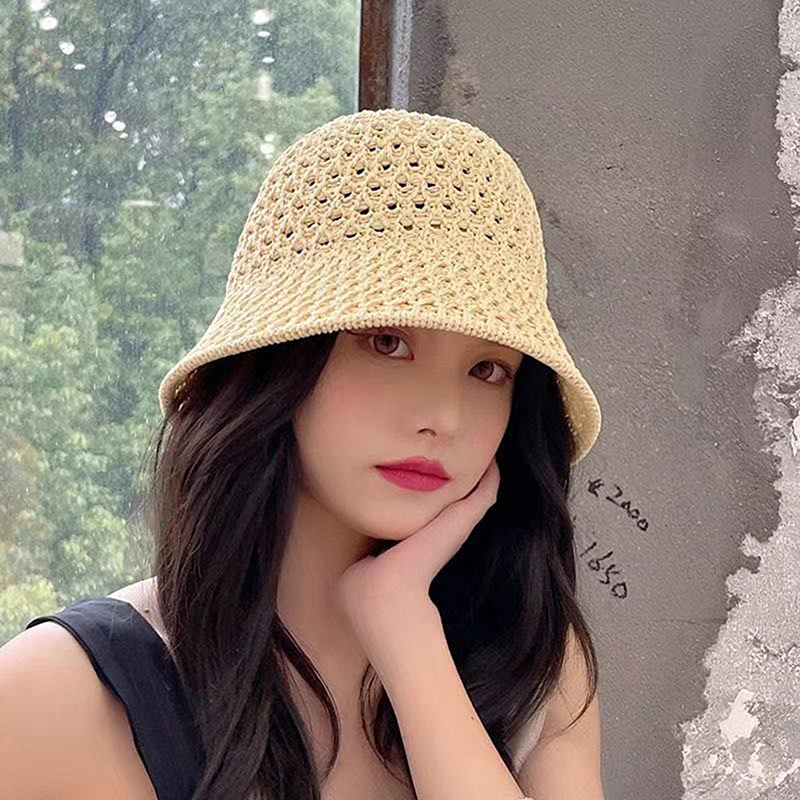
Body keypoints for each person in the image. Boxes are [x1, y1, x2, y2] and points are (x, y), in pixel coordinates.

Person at [0, 108, 605, 800]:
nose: (443, 416)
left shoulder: (533, 668)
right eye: (387, 342)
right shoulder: (58, 694)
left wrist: (406, 633)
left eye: (487, 370)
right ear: (277, 361)